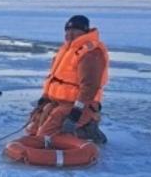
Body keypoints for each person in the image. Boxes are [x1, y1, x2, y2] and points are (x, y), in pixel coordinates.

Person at [28, 14, 109, 144]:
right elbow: (54, 78)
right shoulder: (66, 50)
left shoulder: (90, 52)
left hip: (80, 105)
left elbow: (89, 87)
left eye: (76, 30)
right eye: (68, 30)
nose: (71, 33)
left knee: (46, 136)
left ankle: (87, 131)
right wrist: (45, 98)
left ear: (84, 31)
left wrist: (76, 113)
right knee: (33, 128)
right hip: (58, 101)